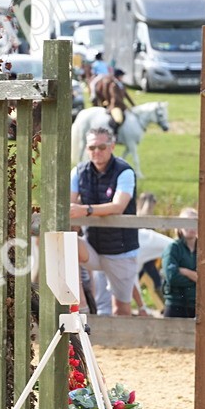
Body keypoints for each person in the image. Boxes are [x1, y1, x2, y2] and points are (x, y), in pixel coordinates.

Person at [69, 126, 139, 316]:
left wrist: (84, 210)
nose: (96, 152)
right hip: (93, 245)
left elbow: (118, 206)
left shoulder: (125, 171)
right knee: (67, 244)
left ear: (112, 146)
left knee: (121, 308)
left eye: (101, 147)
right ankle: (79, 304)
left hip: (120, 250)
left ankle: (125, 344)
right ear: (86, 149)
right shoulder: (79, 171)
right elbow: (68, 203)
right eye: (92, 148)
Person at [161, 208, 198, 318]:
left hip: (198, 305)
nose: (191, 227)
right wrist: (196, 278)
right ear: (179, 226)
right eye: (186, 222)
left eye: (194, 222)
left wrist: (185, 272)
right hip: (175, 304)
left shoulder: (204, 249)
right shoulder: (173, 248)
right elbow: (172, 277)